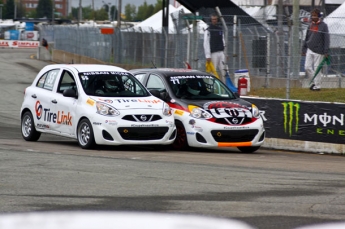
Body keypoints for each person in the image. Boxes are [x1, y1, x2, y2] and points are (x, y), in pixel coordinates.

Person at [302, 8, 330, 91]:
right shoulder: (310, 25)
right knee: (307, 67)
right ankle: (315, 82)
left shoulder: (323, 26)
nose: (313, 17)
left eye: (314, 15)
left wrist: (326, 51)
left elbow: (326, 39)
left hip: (319, 51)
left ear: (318, 16)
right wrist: (304, 48)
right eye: (312, 15)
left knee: (317, 68)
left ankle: (317, 86)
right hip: (310, 49)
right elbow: (306, 37)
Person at [203, 14, 227, 83]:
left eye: (215, 19)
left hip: (221, 52)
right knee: (213, 71)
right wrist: (208, 55)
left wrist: (225, 53)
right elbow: (206, 43)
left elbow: (223, 41)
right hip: (213, 53)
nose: (214, 21)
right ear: (211, 20)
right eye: (213, 19)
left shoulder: (220, 29)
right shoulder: (208, 30)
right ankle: (211, 86)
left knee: (224, 70)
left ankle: (225, 86)